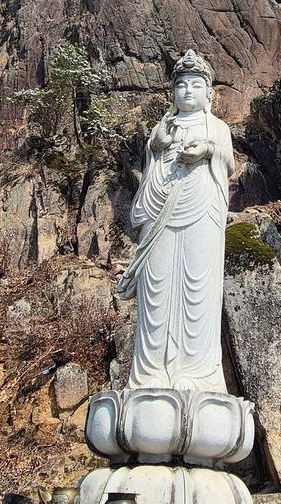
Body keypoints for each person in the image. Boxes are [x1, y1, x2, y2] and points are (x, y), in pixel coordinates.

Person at [118, 50, 235, 393]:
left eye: (195, 85)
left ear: (209, 93)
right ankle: (150, 371)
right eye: (180, 85)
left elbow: (228, 163)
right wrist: (159, 146)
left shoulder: (218, 127)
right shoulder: (161, 127)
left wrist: (209, 151)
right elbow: (152, 163)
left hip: (201, 211)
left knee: (198, 286)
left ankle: (198, 372)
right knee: (158, 286)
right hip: (161, 213)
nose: (186, 92)